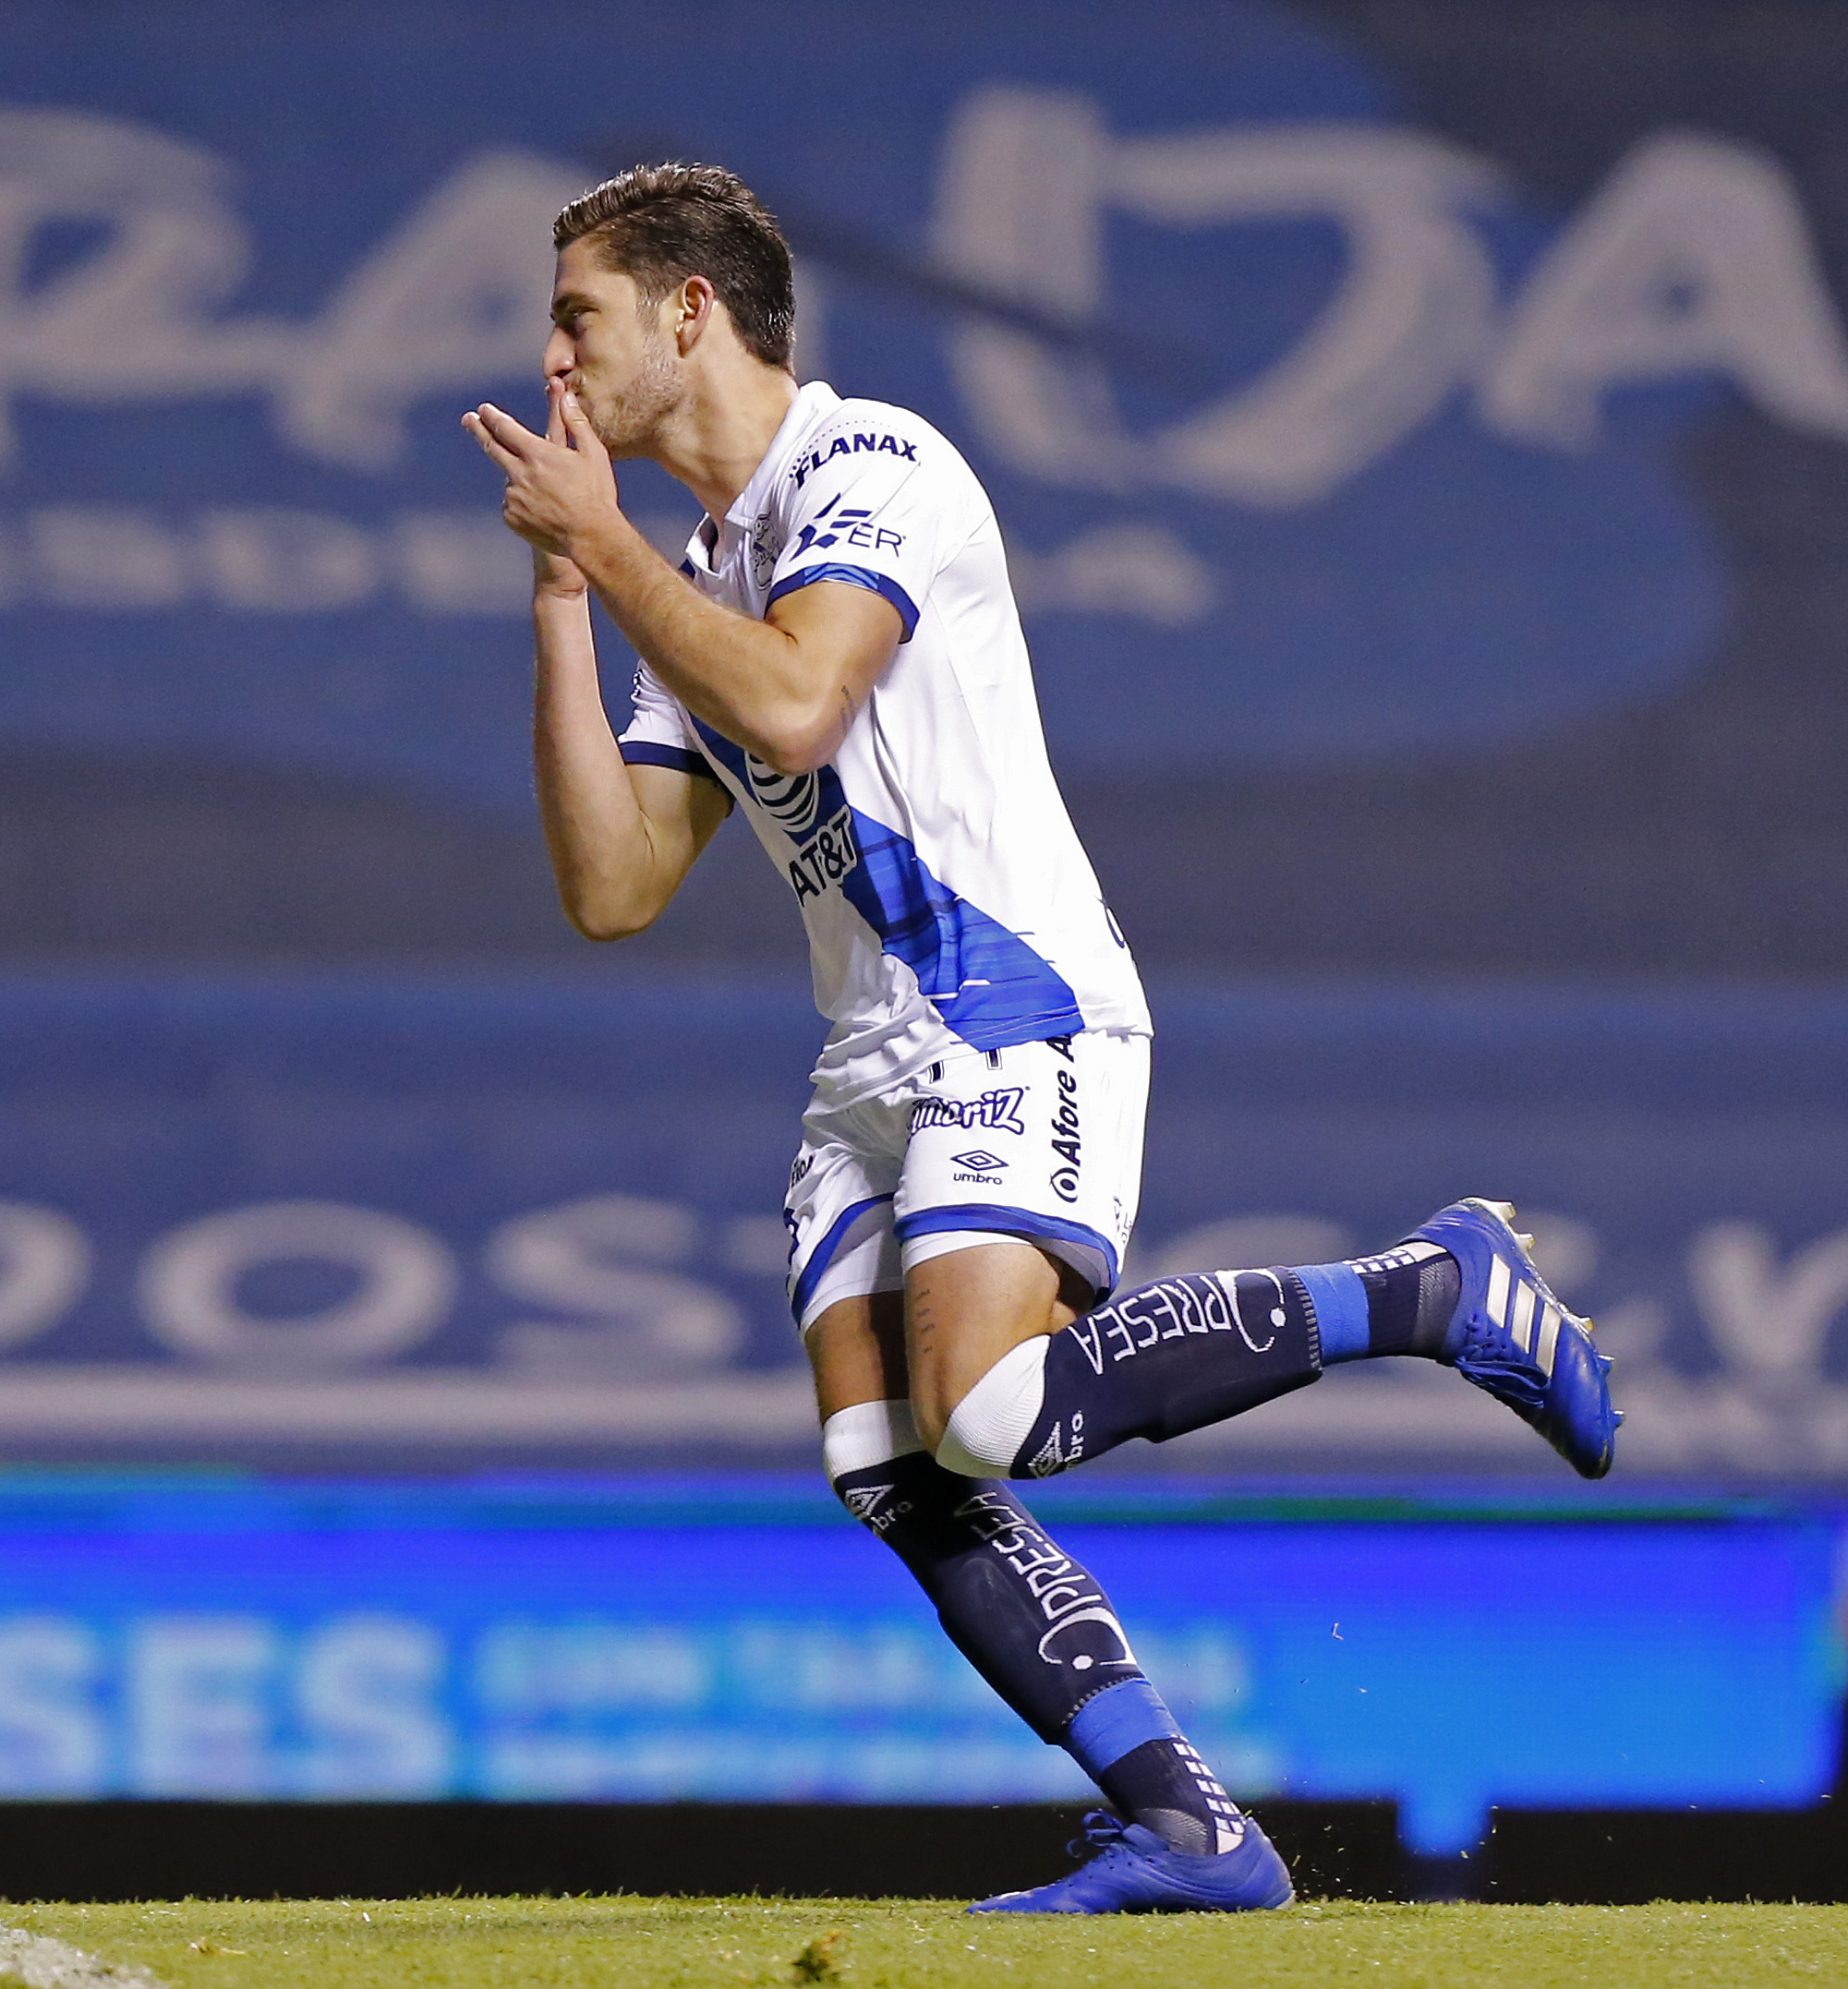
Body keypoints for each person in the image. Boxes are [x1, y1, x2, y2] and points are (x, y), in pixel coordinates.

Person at [464, 162, 1621, 1915]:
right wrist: (566, 597)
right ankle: (1187, 1826)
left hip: (1019, 1007)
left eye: (579, 313)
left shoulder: (877, 467)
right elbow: (613, 887)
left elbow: (793, 697)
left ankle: (1432, 1291)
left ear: (688, 313)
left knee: (990, 1410)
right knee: (888, 1465)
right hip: (870, 1056)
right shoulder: (691, 566)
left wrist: (603, 549)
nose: (555, 353)